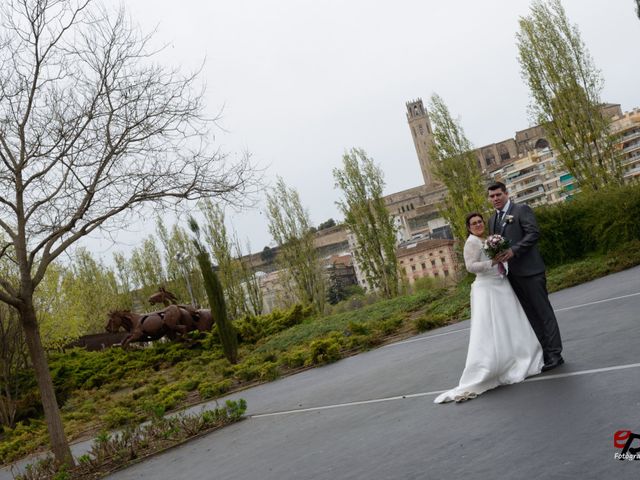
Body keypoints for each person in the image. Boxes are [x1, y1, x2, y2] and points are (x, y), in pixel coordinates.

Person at [434, 213, 543, 403]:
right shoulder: (472, 242)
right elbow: (470, 266)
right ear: (468, 227)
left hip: (501, 284)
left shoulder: (488, 239)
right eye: (473, 223)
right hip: (487, 288)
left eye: (479, 222)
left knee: (511, 321)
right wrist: (492, 262)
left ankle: (521, 356)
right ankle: (498, 363)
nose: (477, 225)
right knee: (492, 328)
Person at [488, 181, 564, 372]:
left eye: (498, 194)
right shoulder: (492, 220)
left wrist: (514, 250)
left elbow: (533, 233)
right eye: (492, 196)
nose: (495, 198)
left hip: (531, 271)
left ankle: (556, 354)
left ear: (506, 193)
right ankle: (545, 354)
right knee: (530, 316)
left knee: (543, 313)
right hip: (511, 275)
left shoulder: (521, 210)